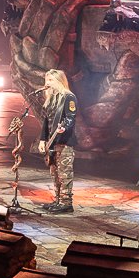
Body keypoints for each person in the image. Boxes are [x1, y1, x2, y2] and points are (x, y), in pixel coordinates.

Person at [38, 69, 78, 213]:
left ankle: (66, 203)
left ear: (59, 81)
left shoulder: (69, 97)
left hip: (64, 142)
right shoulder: (50, 99)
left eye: (50, 80)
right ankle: (58, 200)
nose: (47, 83)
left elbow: (70, 118)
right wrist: (42, 140)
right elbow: (46, 122)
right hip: (52, 142)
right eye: (46, 80)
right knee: (54, 172)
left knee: (64, 172)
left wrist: (64, 128)